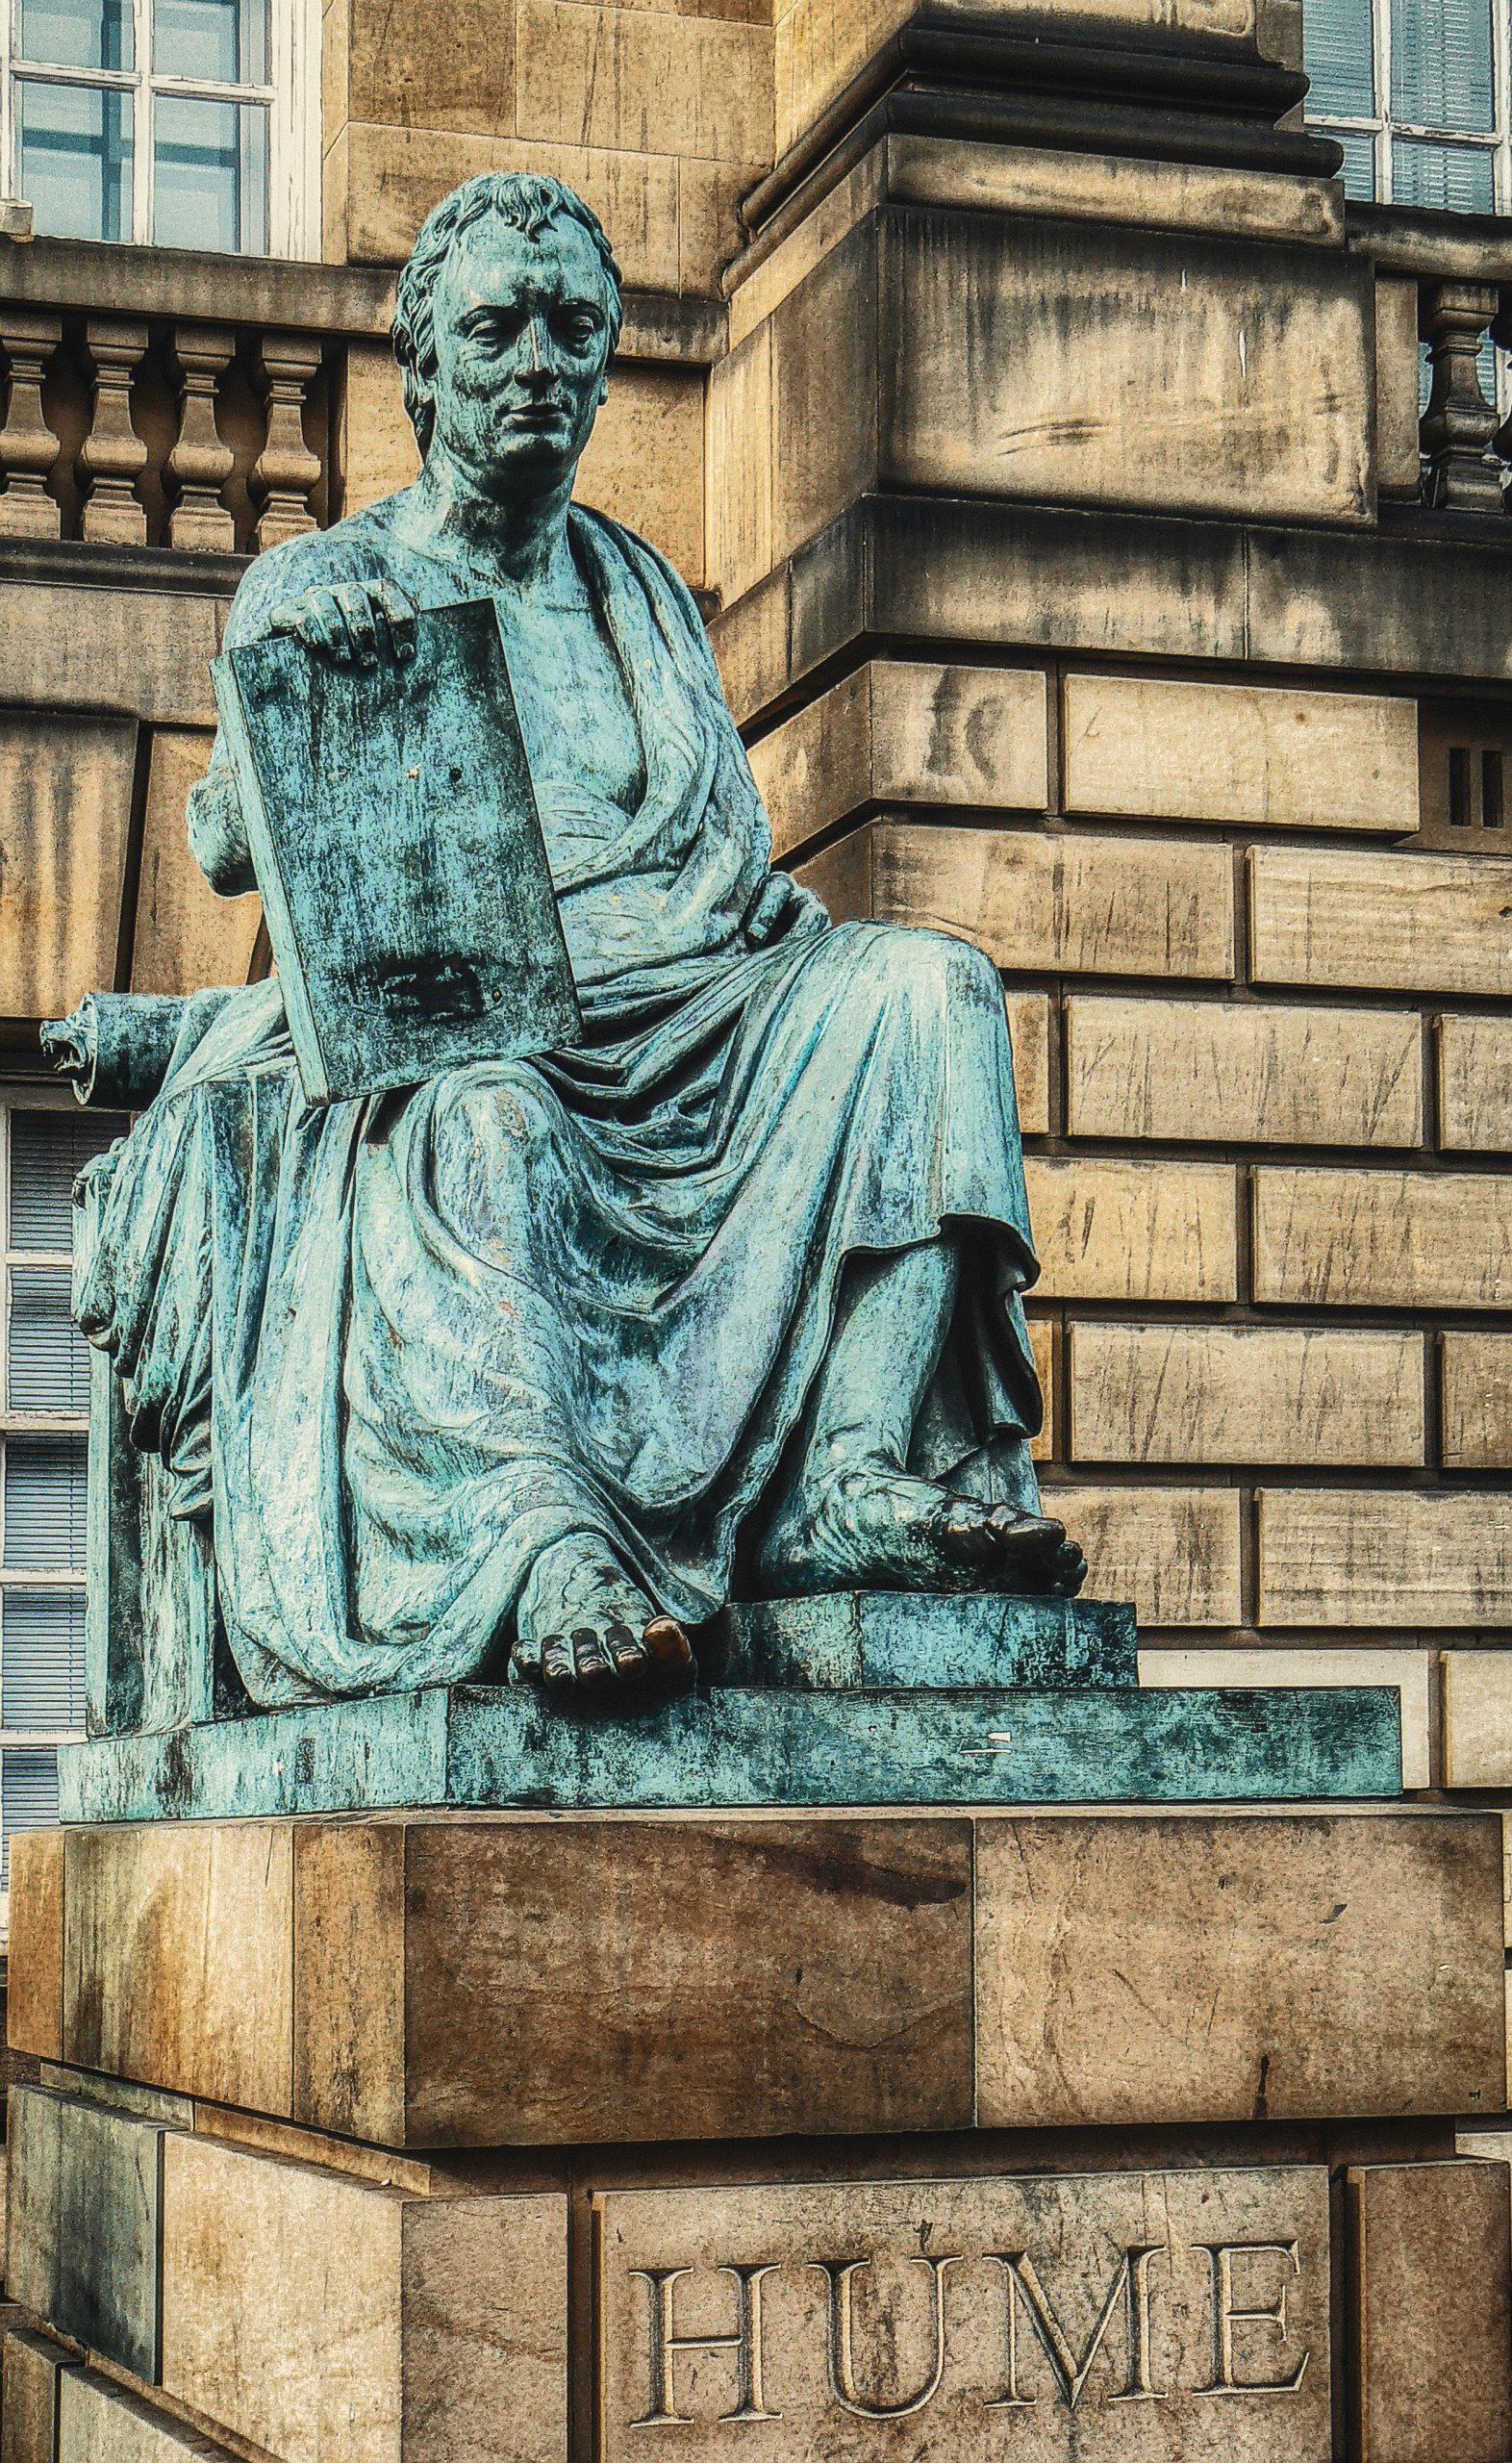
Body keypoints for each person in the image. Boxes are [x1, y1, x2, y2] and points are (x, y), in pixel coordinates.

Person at [75, 171, 1084, 1708]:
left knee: (927, 987)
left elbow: (734, 875)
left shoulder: (643, 593)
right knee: (489, 1119)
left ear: (611, 362)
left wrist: (777, 971)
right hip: (486, 1042)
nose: (535, 361)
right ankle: (543, 1545)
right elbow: (245, 850)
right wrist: (319, 682)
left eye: (570, 327)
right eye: (494, 328)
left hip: (697, 1004)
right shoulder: (326, 578)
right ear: (423, 370)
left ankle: (857, 1477)